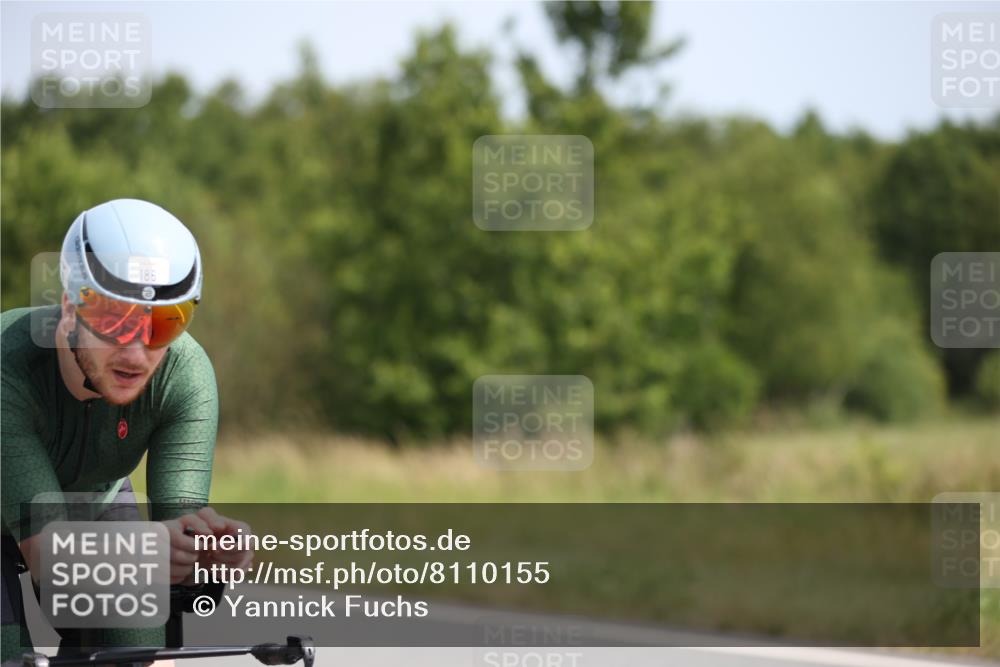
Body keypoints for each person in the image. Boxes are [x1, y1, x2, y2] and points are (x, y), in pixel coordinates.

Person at [1, 199, 252, 665]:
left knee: (138, 645)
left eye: (163, 323)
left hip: (93, 504)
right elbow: (49, 556)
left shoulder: (185, 374)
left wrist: (206, 553)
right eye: (115, 320)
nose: (137, 356)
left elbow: (175, 533)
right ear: (70, 309)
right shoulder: (8, 370)